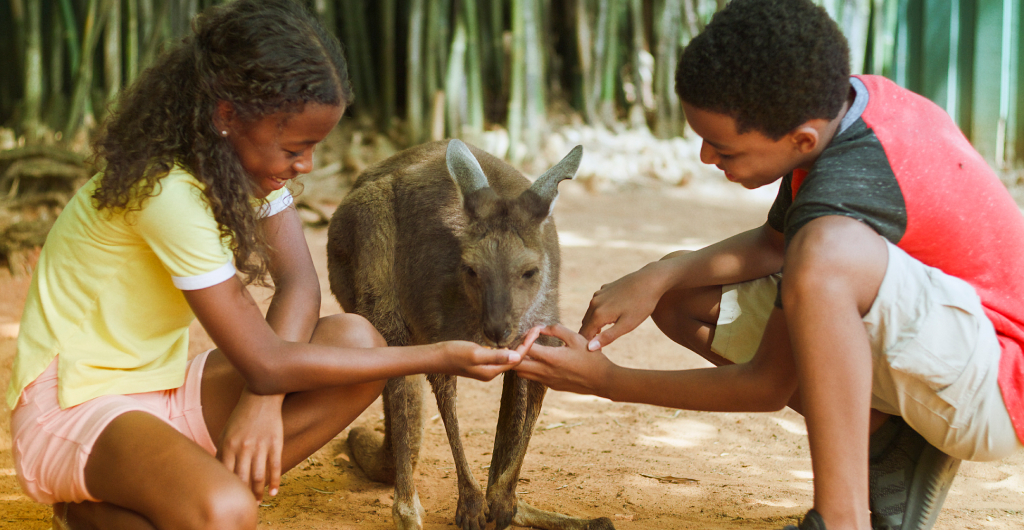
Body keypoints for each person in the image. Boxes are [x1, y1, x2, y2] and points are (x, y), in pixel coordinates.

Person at [6, 1, 524, 529]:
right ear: (227, 116)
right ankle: (101, 503)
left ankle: (143, 497)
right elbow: (263, 358)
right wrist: (435, 355)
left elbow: (299, 284)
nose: (308, 165)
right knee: (229, 510)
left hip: (158, 387)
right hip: (72, 407)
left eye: (315, 147)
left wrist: (261, 402)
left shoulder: (244, 173)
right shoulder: (165, 191)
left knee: (356, 340)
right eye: (296, 147)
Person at [514, 1, 1024, 529]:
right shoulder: (840, 112)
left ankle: (841, 519)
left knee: (827, 254)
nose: (707, 159)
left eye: (724, 149)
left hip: (993, 387)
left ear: (800, 139)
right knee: (684, 292)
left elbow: (767, 384)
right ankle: (882, 435)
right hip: (941, 351)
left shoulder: (849, 191)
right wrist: (659, 275)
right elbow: (775, 244)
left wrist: (607, 379)